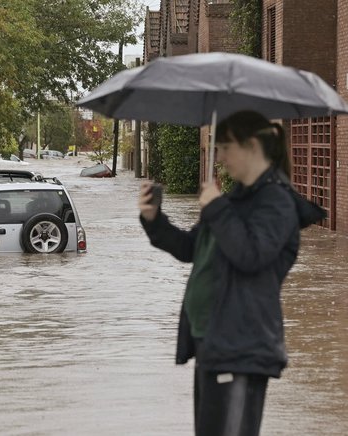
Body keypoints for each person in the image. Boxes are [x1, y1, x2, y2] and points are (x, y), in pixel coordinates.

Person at [138, 110, 323, 436]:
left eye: (224, 147)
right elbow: (190, 248)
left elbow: (251, 256)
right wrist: (154, 219)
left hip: (243, 346)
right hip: (213, 341)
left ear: (251, 146)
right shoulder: (234, 200)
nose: (219, 157)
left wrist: (217, 207)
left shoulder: (276, 202)